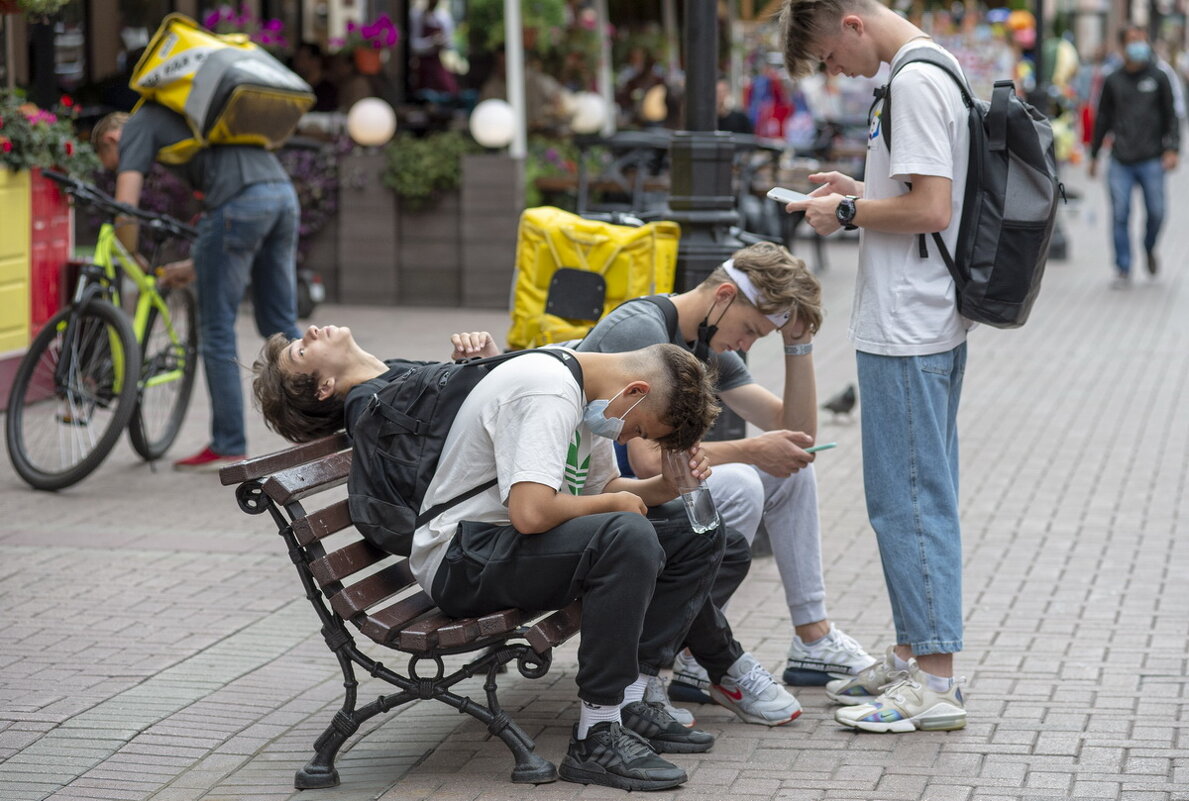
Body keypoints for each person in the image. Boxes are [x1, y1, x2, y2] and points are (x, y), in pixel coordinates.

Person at [250, 324, 760, 789]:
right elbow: (532, 513)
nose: (630, 438)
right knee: (626, 534)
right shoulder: (547, 390)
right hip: (460, 559)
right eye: (642, 428)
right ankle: (597, 735)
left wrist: (665, 486)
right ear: (635, 393)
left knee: (694, 529)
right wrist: (616, 506)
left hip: (499, 546)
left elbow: (605, 486)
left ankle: (632, 701)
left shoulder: (581, 387)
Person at [560, 242, 875, 725]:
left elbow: (799, 435)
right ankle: (687, 649)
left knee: (791, 469)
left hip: (647, 500)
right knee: (746, 481)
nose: (747, 345)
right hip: (612, 498)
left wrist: (798, 344)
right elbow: (648, 462)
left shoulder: (709, 344)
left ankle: (812, 635)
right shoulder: (645, 329)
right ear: (724, 295)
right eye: (750, 330)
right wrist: (750, 450)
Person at [777, 0, 973, 733]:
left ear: (853, 23)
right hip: (921, 316)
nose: (836, 71)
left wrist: (850, 217)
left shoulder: (915, 81)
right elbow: (923, 201)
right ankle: (911, 652)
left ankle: (934, 678)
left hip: (908, 323)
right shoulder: (931, 68)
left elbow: (929, 209)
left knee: (909, 502)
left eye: (829, 55)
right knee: (913, 495)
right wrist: (861, 194)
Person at [92, 107, 301, 472]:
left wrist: (132, 255)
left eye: (111, 162)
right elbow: (233, 231)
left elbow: (126, 204)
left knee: (217, 330)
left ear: (111, 140)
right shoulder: (189, 114)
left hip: (238, 206)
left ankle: (228, 443)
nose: (119, 166)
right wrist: (193, 267)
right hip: (282, 197)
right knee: (282, 325)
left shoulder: (137, 125)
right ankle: (332, 423)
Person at [1090, 25, 1180, 286]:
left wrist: (1172, 149)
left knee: (1157, 212)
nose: (1138, 46)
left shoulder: (1159, 77)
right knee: (1120, 214)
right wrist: (1094, 155)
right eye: (1132, 41)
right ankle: (1123, 267)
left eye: (1141, 40)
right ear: (1122, 47)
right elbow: (1102, 118)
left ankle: (1149, 247)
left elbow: (1171, 116)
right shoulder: (1113, 79)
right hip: (1120, 160)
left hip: (1153, 158)